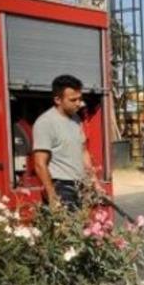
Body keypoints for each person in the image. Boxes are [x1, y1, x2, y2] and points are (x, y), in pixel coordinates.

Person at [33, 74, 100, 210]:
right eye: (73, 100)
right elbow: (40, 163)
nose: (78, 103)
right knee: (67, 229)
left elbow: (83, 151)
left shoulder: (76, 119)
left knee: (82, 228)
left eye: (80, 99)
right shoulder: (45, 123)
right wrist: (52, 195)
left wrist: (94, 181)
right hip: (61, 187)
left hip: (80, 184)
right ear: (58, 99)